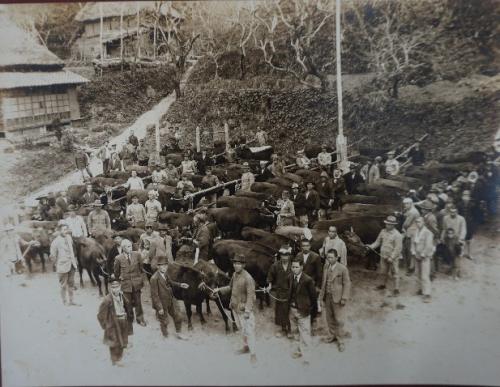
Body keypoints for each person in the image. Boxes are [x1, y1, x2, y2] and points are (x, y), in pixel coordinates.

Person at [213, 254, 257, 364]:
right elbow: (230, 287)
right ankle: (246, 347)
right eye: (235, 263)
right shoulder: (234, 275)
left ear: (243, 265)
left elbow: (251, 295)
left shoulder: (248, 278)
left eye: (239, 263)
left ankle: (253, 354)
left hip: (244, 310)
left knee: (249, 331)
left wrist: (247, 311)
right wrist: (219, 290)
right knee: (242, 330)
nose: (236, 265)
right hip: (235, 308)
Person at [318, 249, 351, 352]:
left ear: (337, 258)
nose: (329, 259)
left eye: (332, 257)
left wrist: (344, 297)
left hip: (338, 297)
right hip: (327, 296)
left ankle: (341, 341)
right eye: (328, 257)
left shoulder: (342, 268)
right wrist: (320, 297)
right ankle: (332, 335)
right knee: (329, 318)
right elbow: (324, 283)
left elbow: (347, 283)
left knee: (339, 319)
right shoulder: (326, 267)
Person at [150, 255, 189, 339]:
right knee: (164, 320)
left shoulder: (166, 274)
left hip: (170, 299)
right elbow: (154, 295)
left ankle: (179, 333)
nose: (164, 267)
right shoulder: (154, 278)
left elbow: (170, 282)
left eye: (166, 265)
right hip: (162, 302)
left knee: (178, 316)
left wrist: (180, 284)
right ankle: (165, 335)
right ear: (158, 266)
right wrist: (159, 307)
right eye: (162, 266)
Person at [97, 275, 131, 366]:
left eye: (117, 287)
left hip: (123, 320)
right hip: (113, 323)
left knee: (122, 340)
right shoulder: (107, 300)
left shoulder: (122, 296)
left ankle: (119, 357)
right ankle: (115, 360)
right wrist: (106, 325)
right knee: (114, 342)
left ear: (120, 286)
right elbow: (100, 315)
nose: (115, 289)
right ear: (110, 288)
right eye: (113, 287)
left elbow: (127, 307)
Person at [288, 258, 317, 364]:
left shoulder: (308, 280)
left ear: (301, 267)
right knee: (295, 332)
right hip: (292, 310)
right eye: (292, 267)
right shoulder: (290, 277)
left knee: (305, 335)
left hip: (303, 311)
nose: (294, 269)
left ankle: (307, 357)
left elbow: (313, 297)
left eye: (296, 267)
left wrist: (311, 311)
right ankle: (298, 350)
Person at [367, 215, 403, 297]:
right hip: (383, 256)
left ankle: (396, 289)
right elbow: (377, 242)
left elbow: (398, 248)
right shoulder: (383, 231)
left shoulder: (397, 235)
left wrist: (392, 257)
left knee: (395, 273)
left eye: (389, 224)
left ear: (393, 225)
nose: (387, 225)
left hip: (393, 258)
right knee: (383, 271)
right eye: (386, 224)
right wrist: (371, 246)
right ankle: (382, 285)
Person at [114, 239, 146, 328]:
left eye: (130, 246)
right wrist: (120, 279)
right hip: (126, 284)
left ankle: (140, 319)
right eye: (127, 247)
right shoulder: (118, 258)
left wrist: (138, 278)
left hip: (136, 283)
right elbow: (116, 272)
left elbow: (141, 268)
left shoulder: (137, 255)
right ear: (123, 248)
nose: (130, 248)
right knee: (127, 303)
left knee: (138, 302)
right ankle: (130, 319)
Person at [50, 224, 79, 306]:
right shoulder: (55, 242)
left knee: (71, 284)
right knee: (63, 285)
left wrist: (74, 261)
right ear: (59, 231)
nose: (65, 231)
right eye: (63, 230)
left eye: (66, 229)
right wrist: (57, 265)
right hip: (62, 266)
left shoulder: (69, 238)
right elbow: (53, 256)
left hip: (72, 264)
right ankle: (64, 302)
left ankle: (72, 301)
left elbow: (72, 250)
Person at [266, 246, 292, 338]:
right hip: (280, 292)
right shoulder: (275, 265)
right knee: (281, 311)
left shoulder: (293, 265)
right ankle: (284, 329)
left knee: (290, 310)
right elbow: (270, 276)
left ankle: (290, 329)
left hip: (291, 291)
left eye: (287, 255)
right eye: (283, 255)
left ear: (289, 256)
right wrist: (269, 285)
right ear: (280, 255)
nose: (285, 257)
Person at [412, 217, 435, 303]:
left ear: (423, 223)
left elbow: (429, 245)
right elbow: (413, 243)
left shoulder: (428, 233)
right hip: (417, 255)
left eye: (419, 222)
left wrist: (423, 254)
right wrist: (413, 251)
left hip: (425, 256)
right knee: (417, 274)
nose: (418, 223)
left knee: (425, 275)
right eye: (417, 222)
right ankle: (420, 289)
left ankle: (427, 294)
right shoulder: (415, 232)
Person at [402, 197, 420, 275]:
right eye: (404, 204)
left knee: (409, 252)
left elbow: (406, 224)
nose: (405, 205)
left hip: (411, 234)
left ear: (411, 203)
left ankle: (411, 269)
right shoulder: (411, 210)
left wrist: (402, 227)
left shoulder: (413, 212)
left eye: (407, 204)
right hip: (410, 233)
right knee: (408, 251)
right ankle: (410, 267)